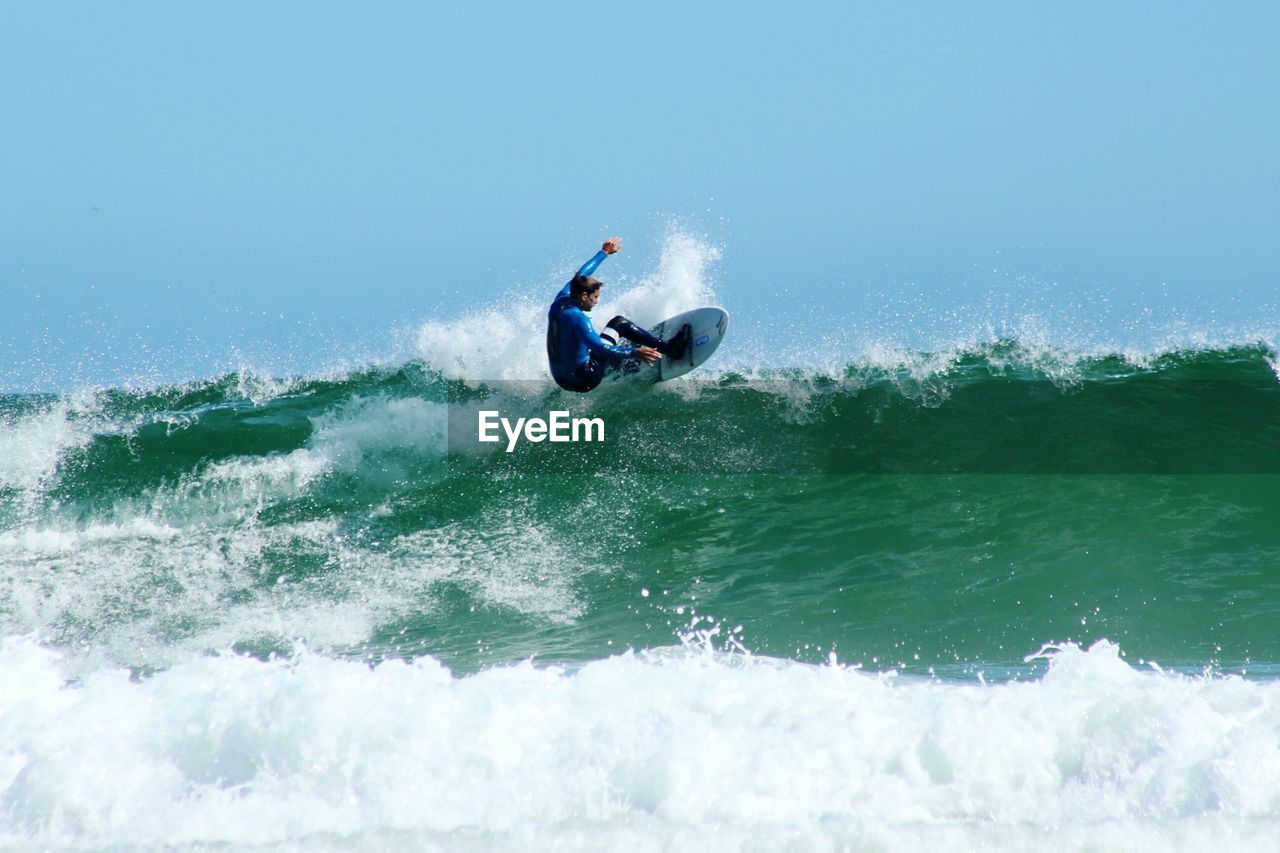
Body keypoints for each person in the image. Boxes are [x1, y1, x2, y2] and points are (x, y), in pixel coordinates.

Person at [546, 237, 689, 392]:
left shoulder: (561, 300)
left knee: (596, 344)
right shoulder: (579, 319)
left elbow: (581, 274)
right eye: (595, 297)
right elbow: (599, 349)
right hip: (586, 378)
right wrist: (634, 353)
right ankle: (670, 349)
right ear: (584, 296)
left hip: (562, 379)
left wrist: (604, 252)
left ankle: (619, 366)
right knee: (619, 324)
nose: (597, 301)